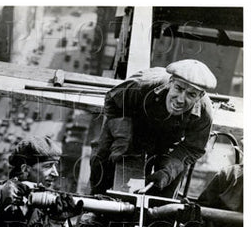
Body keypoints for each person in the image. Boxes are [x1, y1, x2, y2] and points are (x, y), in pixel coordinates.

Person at [90, 59, 217, 198]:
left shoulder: (204, 114)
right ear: (170, 82)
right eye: (179, 88)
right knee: (101, 164)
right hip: (130, 124)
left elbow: (192, 148)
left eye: (191, 95)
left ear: (200, 96)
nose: (181, 99)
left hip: (165, 139)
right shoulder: (142, 85)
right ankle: (95, 206)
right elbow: (112, 100)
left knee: (166, 187)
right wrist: (123, 138)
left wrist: (168, 171)